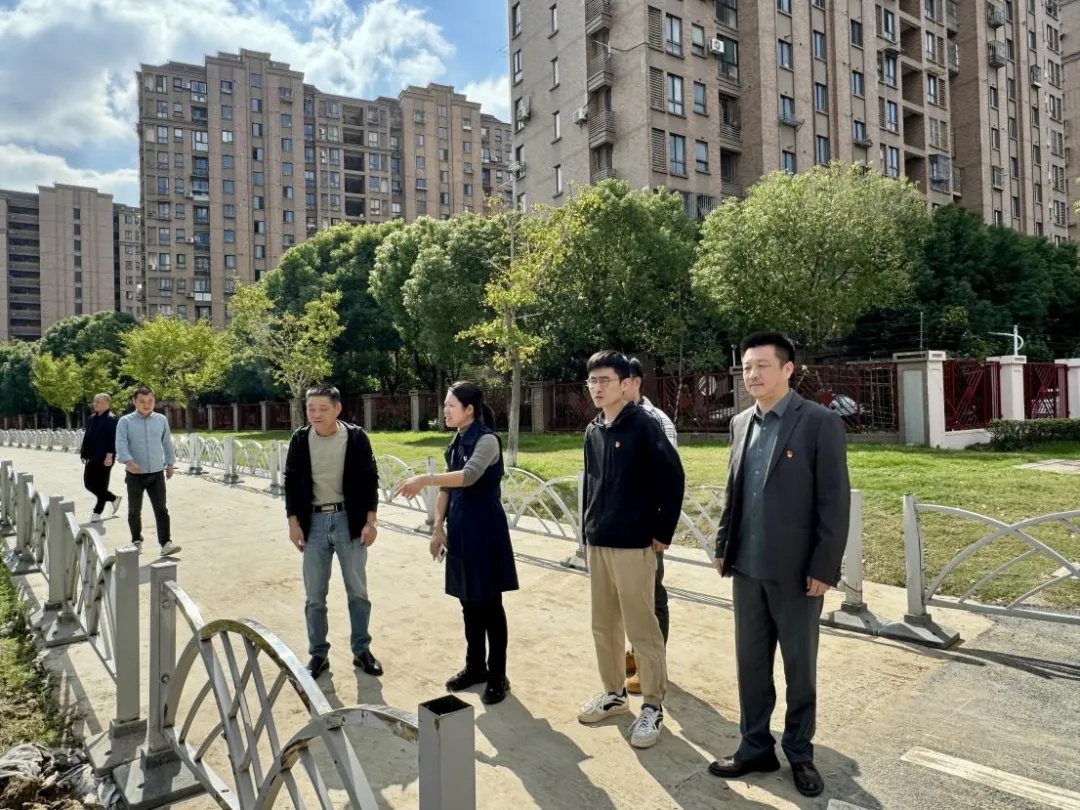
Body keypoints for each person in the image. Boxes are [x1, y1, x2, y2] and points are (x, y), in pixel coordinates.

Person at [709, 332, 850, 798]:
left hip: (796, 572)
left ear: (788, 369)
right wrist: (723, 543)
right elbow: (734, 490)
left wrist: (824, 567)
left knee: (799, 667)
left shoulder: (819, 423)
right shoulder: (740, 423)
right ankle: (754, 747)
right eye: (747, 367)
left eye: (762, 366)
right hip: (746, 569)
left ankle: (800, 752)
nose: (752, 375)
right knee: (751, 665)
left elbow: (834, 502)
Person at [577, 350, 685, 749]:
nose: (597, 388)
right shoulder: (593, 430)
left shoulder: (643, 425)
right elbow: (591, 484)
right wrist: (587, 532)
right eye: (592, 381)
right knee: (603, 624)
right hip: (599, 542)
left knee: (642, 628)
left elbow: (672, 479)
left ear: (626, 384)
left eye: (605, 380)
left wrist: (661, 532)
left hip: (634, 544)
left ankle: (652, 705)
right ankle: (613, 694)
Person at [395, 381, 519, 706]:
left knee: (490, 605)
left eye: (451, 405)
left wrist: (423, 479)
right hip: (461, 531)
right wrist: (438, 527)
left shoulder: (487, 440)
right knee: (468, 603)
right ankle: (475, 667)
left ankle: (497, 675)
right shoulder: (457, 440)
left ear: (469, 409)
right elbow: (447, 490)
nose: (445, 411)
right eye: (445, 405)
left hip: (485, 532)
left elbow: (468, 476)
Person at [284, 384, 382, 679]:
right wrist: (293, 523)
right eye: (310, 409)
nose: (315, 414)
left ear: (337, 408)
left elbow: (370, 479)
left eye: (322, 409)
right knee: (314, 595)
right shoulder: (300, 439)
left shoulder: (356, 437)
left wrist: (371, 521)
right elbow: (291, 481)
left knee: (358, 591)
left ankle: (361, 650)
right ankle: (318, 654)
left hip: (348, 521)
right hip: (313, 523)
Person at [622, 358, 678, 696]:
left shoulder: (655, 421)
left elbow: (669, 480)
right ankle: (636, 651)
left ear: (635, 382)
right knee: (630, 597)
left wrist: (660, 529)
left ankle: (653, 664)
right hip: (621, 530)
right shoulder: (612, 420)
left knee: (652, 596)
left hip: (647, 530)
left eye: (619, 380)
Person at [114, 386, 181, 556]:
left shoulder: (161, 420)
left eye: (150, 401)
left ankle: (166, 543)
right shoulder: (125, 422)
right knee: (134, 510)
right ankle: (136, 541)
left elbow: (166, 442)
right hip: (134, 475)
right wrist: (128, 461)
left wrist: (170, 464)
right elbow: (121, 444)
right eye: (142, 401)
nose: (147, 404)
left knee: (161, 509)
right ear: (134, 402)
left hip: (157, 473)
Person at [80, 393, 121, 523]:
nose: (95, 404)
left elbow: (113, 439)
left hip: (105, 457)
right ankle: (113, 498)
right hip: (92, 456)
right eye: (94, 401)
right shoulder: (92, 418)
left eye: (98, 402)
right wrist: (83, 453)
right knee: (88, 483)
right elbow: (87, 437)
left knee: (101, 485)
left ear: (107, 403)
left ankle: (97, 512)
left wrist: (109, 455)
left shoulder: (112, 419)